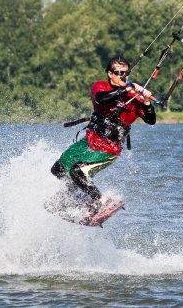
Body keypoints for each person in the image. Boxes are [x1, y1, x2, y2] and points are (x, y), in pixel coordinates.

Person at [51, 56, 156, 223]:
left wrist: (146, 102)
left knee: (77, 171)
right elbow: (101, 98)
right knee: (58, 169)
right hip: (89, 141)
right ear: (110, 73)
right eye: (118, 73)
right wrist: (127, 90)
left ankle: (100, 201)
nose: (122, 76)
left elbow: (151, 120)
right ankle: (74, 197)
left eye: (125, 73)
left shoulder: (135, 99)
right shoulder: (101, 87)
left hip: (108, 149)